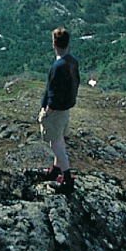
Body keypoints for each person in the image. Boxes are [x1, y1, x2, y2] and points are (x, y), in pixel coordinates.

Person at [39, 27, 80, 195]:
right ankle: (56, 169)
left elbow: (53, 93)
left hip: (56, 110)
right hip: (65, 109)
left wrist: (47, 111)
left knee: (56, 145)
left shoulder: (58, 65)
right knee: (59, 139)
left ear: (54, 43)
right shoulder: (72, 61)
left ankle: (67, 178)